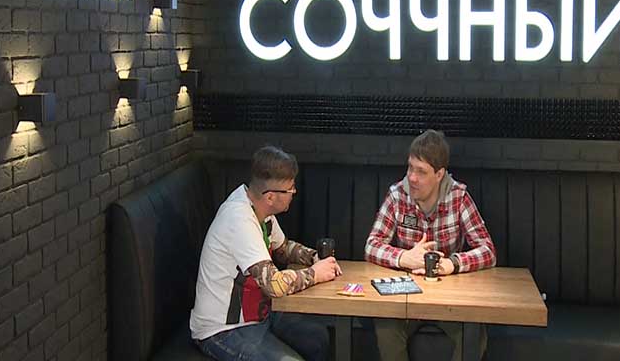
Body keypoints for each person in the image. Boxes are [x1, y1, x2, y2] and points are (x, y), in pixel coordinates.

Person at [191, 145, 342, 361]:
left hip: (261, 314)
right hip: (223, 330)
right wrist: (315, 273)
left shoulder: (261, 210)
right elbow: (274, 285)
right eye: (290, 189)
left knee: (317, 338)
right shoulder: (239, 219)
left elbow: (283, 248)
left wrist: (314, 257)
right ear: (270, 197)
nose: (294, 193)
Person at [365, 130, 496, 361]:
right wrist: (404, 257)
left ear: (439, 174)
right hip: (407, 295)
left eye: (421, 171)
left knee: (473, 332)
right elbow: (371, 246)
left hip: (449, 297)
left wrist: (452, 264)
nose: (412, 178)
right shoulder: (398, 195)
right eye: (410, 168)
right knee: (385, 325)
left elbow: (488, 251)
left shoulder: (458, 197)